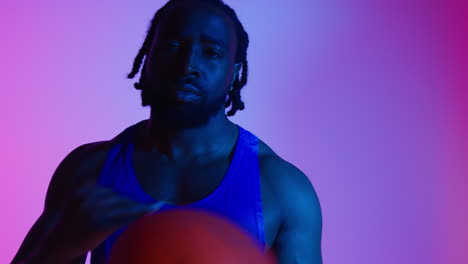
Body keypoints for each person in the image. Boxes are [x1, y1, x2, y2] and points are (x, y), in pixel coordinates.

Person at [12, 0, 323, 263]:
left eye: (211, 52)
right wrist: (59, 247)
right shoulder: (87, 170)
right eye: (172, 46)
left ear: (235, 71)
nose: (188, 64)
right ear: (147, 58)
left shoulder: (283, 189)